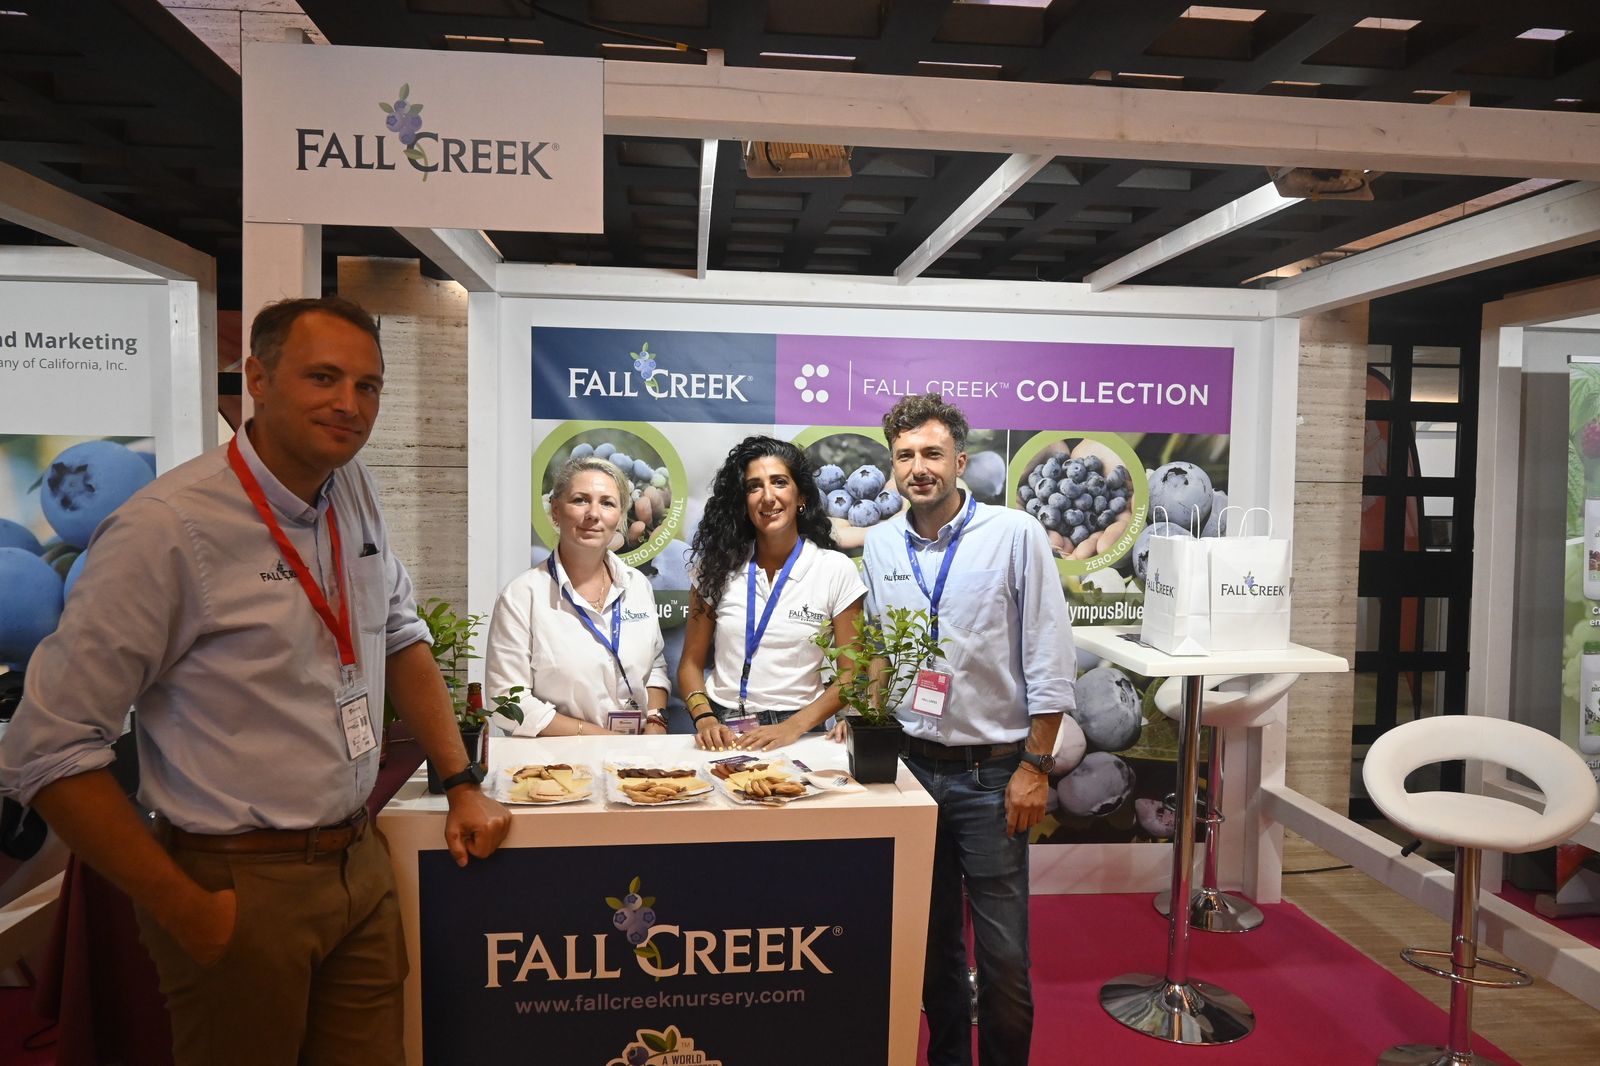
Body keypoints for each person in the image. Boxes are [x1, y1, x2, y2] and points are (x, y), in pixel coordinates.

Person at [0, 296, 511, 1065]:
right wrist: (189, 909)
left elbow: (400, 633)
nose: (349, 404)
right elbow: (47, 749)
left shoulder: (351, 489)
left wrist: (461, 778)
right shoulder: (167, 530)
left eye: (368, 386)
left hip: (356, 863)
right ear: (259, 380)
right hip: (236, 879)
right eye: (324, 377)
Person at [859, 393, 1074, 1066]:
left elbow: (1048, 653)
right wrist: (861, 720)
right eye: (904, 456)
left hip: (994, 776)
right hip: (913, 772)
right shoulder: (880, 541)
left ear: (961, 460)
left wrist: (1035, 767)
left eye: (931, 454)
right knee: (931, 950)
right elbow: (881, 649)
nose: (917, 468)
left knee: (1005, 960)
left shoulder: (1015, 535)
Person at [678, 436, 865, 752]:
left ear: (801, 495)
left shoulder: (834, 569)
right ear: (744, 501)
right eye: (754, 486)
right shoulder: (716, 567)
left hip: (799, 732)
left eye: (779, 482)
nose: (767, 496)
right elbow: (690, 665)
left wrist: (792, 727)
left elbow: (852, 673)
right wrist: (705, 718)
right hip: (721, 730)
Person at [483, 456, 670, 737]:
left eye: (607, 503)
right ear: (556, 511)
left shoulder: (637, 585)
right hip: (559, 766)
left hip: (635, 760)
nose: (594, 513)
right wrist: (599, 736)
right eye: (581, 500)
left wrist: (656, 720)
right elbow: (507, 704)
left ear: (620, 517)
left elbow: (654, 664)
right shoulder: (521, 596)